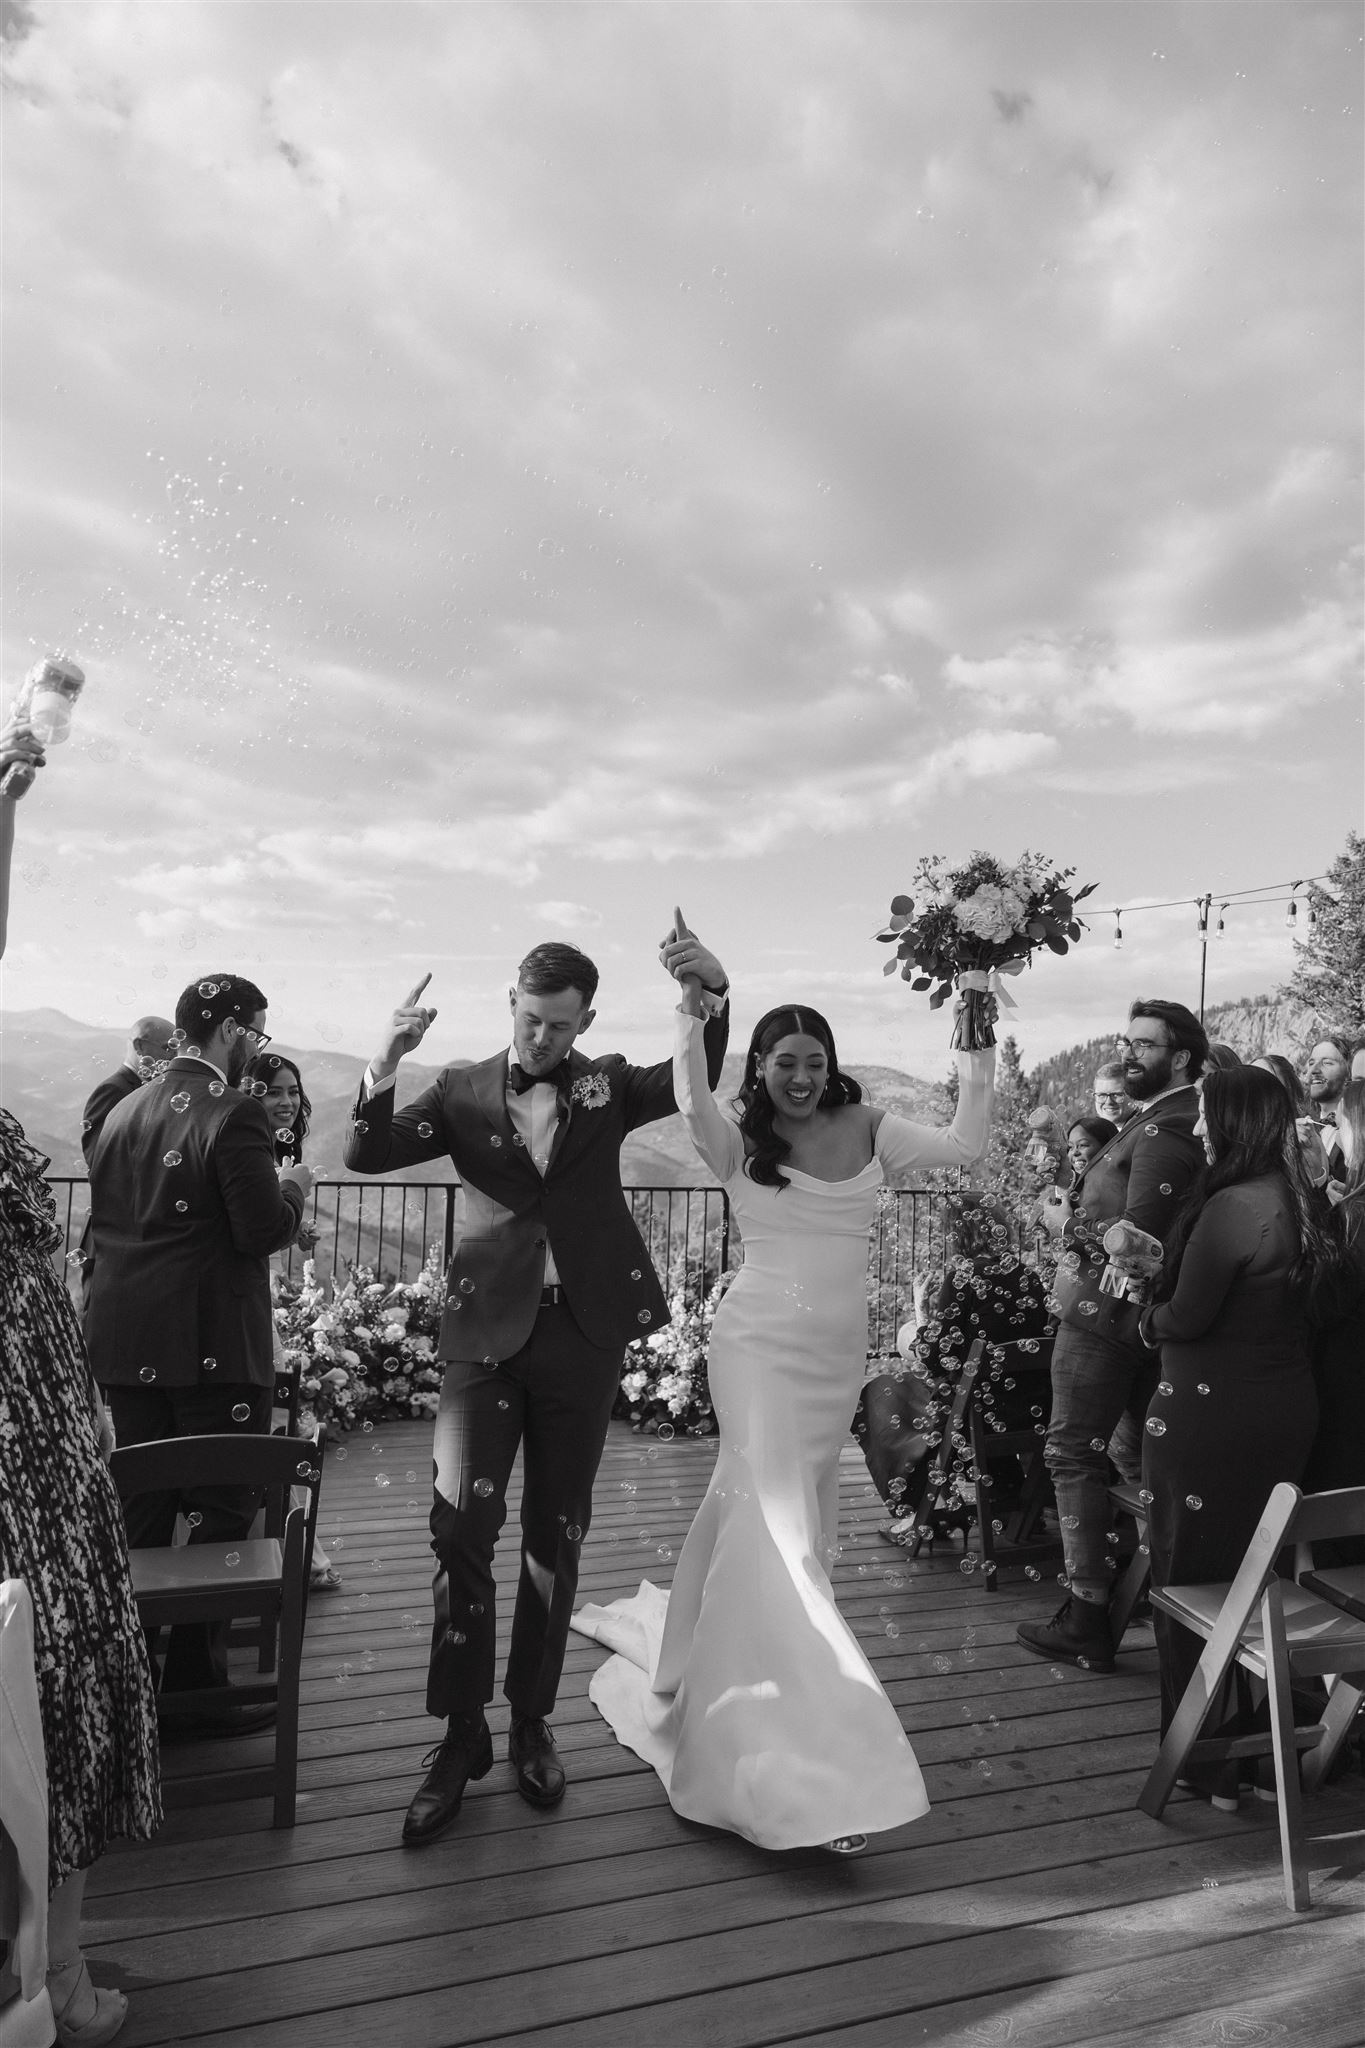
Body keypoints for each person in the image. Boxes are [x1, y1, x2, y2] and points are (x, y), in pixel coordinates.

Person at [571, 969, 995, 1853]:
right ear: (758, 1067)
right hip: (756, 1350)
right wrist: (694, 1007)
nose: (799, 1077)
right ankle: (805, 1754)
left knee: (788, 1522)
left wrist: (976, 1036)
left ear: (829, 1066)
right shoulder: (734, 1144)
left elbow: (966, 1145)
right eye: (782, 1063)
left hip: (832, 1357)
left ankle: (730, 1676)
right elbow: (689, 1096)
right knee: (783, 1536)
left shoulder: (872, 1128)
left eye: (813, 1061)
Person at [344, 920, 731, 1846]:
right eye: (528, 1021)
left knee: (556, 1534)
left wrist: (709, 996)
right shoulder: (460, 1087)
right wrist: (386, 1057)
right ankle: (460, 1731)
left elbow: (696, 1079)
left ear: (585, 1019)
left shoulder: (609, 1083)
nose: (540, 1041)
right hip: (483, 1337)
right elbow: (365, 1156)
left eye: (558, 1027)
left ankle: (529, 1717)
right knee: (460, 1528)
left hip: (583, 1336)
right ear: (509, 1007)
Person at [1, 710, 159, 2048]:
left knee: (42, 1683)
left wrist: (8, 798)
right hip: (25, 1434)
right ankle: (48, 1986)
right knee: (45, 1683)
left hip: (43, 1410)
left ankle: (51, 1980)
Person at [84, 975, 311, 1727]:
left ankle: (129, 1687)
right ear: (233, 1030)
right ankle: (194, 1691)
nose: (258, 1048)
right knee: (221, 1506)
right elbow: (258, 1230)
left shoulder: (121, 1108)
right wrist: (294, 1189)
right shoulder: (234, 1112)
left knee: (143, 1506)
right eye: (258, 1033)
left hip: (125, 1340)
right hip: (211, 1342)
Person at [1137, 1065, 1339, 1804]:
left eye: (1204, 1114)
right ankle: (1254, 1753)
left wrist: (1143, 1311)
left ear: (1232, 1122)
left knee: (1187, 1575)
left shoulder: (1231, 1206)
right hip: (1281, 1413)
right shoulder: (1304, 1201)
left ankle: (1202, 1758)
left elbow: (1186, 1317)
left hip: (1209, 1418)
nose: (1196, 1129)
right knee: (1257, 1583)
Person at [1017, 1000, 1207, 1674]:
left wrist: (1061, 1224)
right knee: (1131, 1462)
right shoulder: (1168, 1120)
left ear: (1180, 1055)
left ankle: (1087, 1613)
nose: (1129, 1053)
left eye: (1144, 1044)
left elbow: (1136, 1242)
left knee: (1073, 1454)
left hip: (1105, 1326)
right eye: (1126, 1041)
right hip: (1133, 1329)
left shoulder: (1164, 1129)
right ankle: (1155, 1595)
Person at [241, 1050, 337, 1589]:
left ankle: (288, 1551)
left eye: (292, 1091)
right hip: (248, 1304)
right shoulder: (247, 1146)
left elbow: (269, 1225)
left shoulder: (281, 1150)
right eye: (273, 1090)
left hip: (262, 1298)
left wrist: (295, 1230)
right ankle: (276, 1556)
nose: (285, 1101)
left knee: (276, 1425)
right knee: (270, 1428)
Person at [1301, 1078, 1365, 1563]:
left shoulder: (1357, 1215)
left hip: (1348, 1390)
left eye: (1340, 1122)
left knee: (1340, 1547)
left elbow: (1324, 1301)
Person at [73, 1015, 176, 1310]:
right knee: (100, 1331)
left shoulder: (153, 1090)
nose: (173, 1057)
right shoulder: (115, 1090)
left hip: (138, 1237)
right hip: (111, 1238)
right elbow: (100, 1160)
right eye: (168, 1048)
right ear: (141, 1046)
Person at [1304, 1035, 1352, 1184]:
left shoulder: (1358, 1127)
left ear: (1348, 1074)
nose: (1314, 1069)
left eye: (1327, 1063)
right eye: (1311, 1063)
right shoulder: (1301, 1125)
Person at [1092, 1062, 1131, 1127]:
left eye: (1116, 1095)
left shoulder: (1142, 1133)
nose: (1108, 1102)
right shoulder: (1092, 1134)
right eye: (1102, 1095)